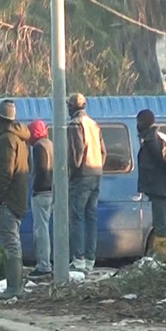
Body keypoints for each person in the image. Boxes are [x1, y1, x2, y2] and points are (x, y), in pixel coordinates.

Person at [0, 100, 31, 299]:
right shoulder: (19, 139)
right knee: (13, 241)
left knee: (11, 243)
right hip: (16, 198)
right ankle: (15, 286)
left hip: (8, 200)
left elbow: (5, 173)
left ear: (0, 118)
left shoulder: (7, 140)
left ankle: (14, 287)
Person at [67, 93, 106, 272]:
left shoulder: (76, 124)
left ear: (73, 107)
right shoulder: (93, 124)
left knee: (76, 217)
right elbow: (103, 151)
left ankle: (79, 259)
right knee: (91, 218)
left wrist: (71, 173)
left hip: (82, 175)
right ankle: (90, 259)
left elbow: (77, 153)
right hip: (96, 173)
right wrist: (97, 167)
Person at [136, 110, 166, 254]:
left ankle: (163, 261)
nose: (138, 125)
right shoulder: (156, 137)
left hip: (162, 191)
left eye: (139, 121)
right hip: (165, 189)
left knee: (161, 230)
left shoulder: (152, 139)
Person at [28, 120, 53, 280]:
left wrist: (36, 188)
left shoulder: (39, 147)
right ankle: (46, 263)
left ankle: (43, 265)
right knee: (45, 228)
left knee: (40, 229)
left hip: (42, 192)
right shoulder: (50, 144)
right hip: (52, 191)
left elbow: (42, 169)